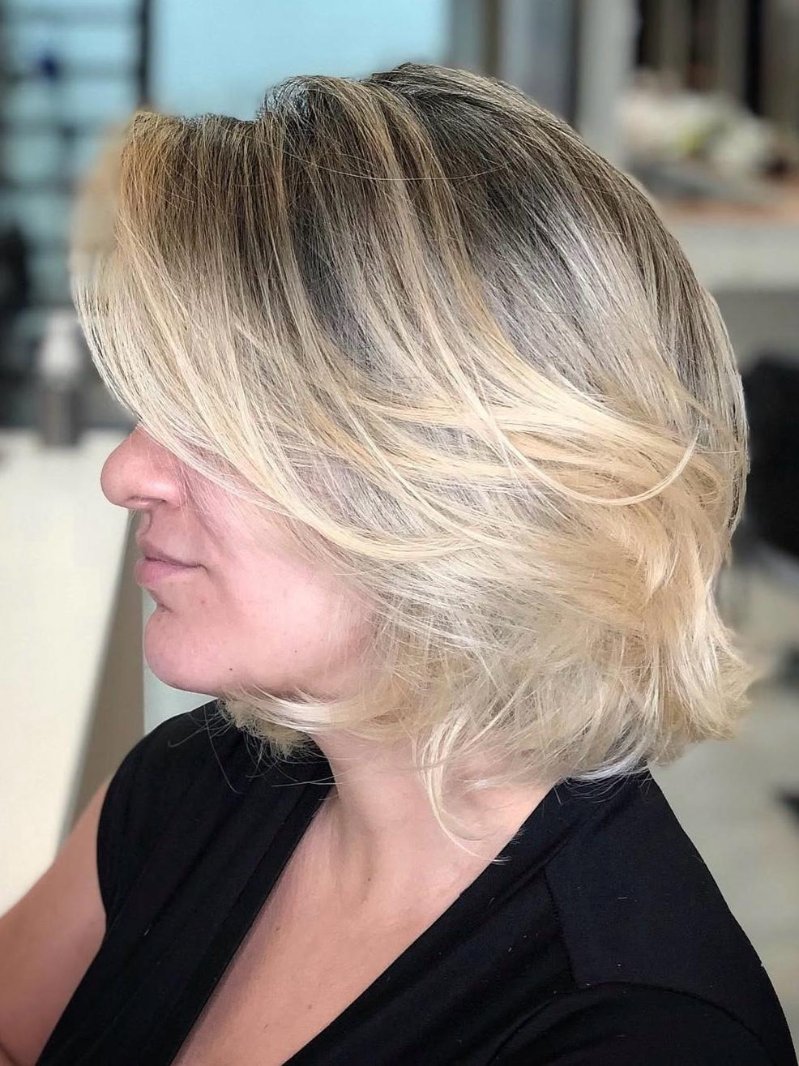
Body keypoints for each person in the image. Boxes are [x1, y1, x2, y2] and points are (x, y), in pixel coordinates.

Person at [0, 62, 795, 1066]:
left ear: (458, 474)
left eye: (214, 422)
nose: (125, 474)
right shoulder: (196, 783)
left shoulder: (637, 1036)